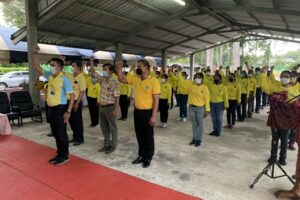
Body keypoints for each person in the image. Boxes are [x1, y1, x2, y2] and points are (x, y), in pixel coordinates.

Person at [34, 46, 75, 165]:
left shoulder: (64, 79)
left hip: (61, 109)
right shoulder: (50, 76)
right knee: (56, 133)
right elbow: (37, 67)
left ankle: (65, 156)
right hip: (51, 109)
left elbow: (72, 96)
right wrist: (36, 54)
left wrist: (68, 112)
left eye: (53, 65)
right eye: (50, 65)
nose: (51, 67)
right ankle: (59, 153)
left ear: (59, 67)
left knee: (61, 134)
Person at [117, 59, 160, 168]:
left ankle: (148, 157)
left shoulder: (154, 81)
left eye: (139, 66)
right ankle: (141, 155)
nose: (137, 68)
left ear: (146, 67)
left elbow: (156, 99)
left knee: (148, 136)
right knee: (139, 135)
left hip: (148, 112)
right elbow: (121, 79)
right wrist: (119, 68)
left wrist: (154, 115)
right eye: (137, 66)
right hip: (137, 112)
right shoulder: (135, 78)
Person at [262, 70, 299, 166]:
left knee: (284, 140)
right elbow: (264, 87)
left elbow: (295, 107)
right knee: (274, 139)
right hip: (274, 119)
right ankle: (273, 157)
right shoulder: (275, 87)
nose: (284, 78)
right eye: (282, 76)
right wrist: (263, 74)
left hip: (286, 121)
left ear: (290, 79)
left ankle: (282, 158)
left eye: (286, 76)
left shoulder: (293, 91)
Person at [178, 70, 210, 147]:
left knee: (201, 124)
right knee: (194, 124)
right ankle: (195, 138)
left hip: (200, 108)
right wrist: (179, 73)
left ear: (202, 79)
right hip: (191, 108)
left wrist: (207, 110)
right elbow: (182, 84)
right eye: (195, 77)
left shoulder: (205, 88)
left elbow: (207, 99)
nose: (197, 79)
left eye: (198, 77)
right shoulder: (191, 86)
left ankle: (200, 140)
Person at [97, 63, 120, 154]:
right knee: (104, 127)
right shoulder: (102, 80)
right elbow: (93, 73)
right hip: (102, 107)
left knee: (112, 127)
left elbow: (117, 97)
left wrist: (116, 109)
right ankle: (106, 144)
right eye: (103, 69)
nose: (103, 71)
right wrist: (91, 62)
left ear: (111, 71)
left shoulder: (115, 82)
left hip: (110, 107)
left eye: (105, 69)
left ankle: (113, 145)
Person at [68, 61, 86, 146]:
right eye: (71, 66)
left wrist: (77, 103)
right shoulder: (72, 76)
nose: (72, 67)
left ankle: (80, 139)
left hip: (76, 101)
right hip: (70, 101)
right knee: (71, 120)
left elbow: (82, 92)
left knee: (77, 121)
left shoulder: (81, 77)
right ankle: (75, 137)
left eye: (74, 65)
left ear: (78, 67)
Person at [288, 71, 300, 151]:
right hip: (285, 108)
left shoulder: (299, 86)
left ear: (297, 77)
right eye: (291, 76)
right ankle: (284, 141)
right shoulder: (286, 85)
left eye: (294, 76)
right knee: (285, 126)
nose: (292, 78)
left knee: (294, 128)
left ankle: (291, 143)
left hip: (295, 109)